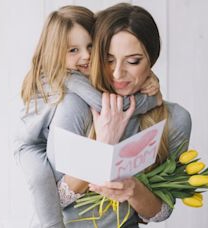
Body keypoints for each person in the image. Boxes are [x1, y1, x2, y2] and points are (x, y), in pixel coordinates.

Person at [13, 5, 162, 228]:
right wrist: (152, 99)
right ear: (56, 52)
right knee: (40, 180)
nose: (86, 55)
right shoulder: (70, 79)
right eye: (73, 50)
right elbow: (109, 107)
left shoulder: (75, 74)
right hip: (29, 146)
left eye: (91, 46)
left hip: (39, 140)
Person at [50, 3, 192, 227]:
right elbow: (51, 200)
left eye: (133, 61)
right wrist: (102, 147)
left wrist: (133, 190)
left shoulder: (175, 119)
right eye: (108, 59)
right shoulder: (74, 105)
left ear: (151, 60)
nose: (118, 73)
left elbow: (161, 211)